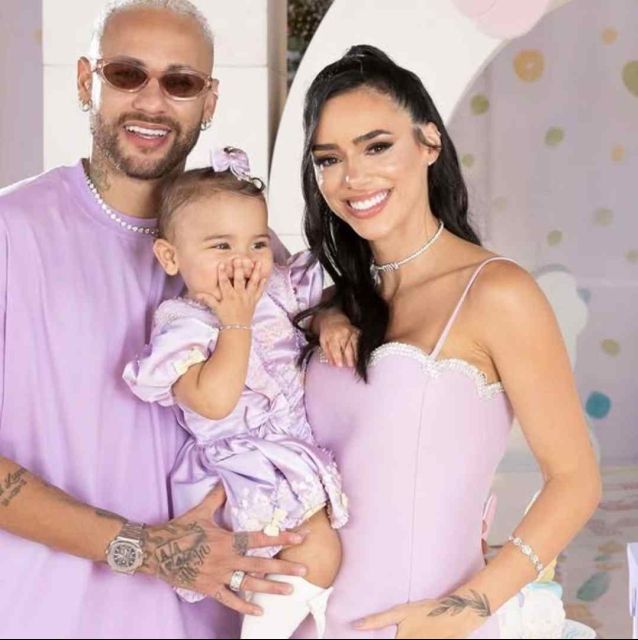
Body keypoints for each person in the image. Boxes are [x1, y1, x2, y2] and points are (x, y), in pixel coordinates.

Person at [0, 2, 314, 637]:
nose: (151, 100)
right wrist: (142, 549)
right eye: (126, 74)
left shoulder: (248, 253)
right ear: (86, 81)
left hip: (214, 622)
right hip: (45, 617)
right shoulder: (11, 233)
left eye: (180, 81)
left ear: (208, 101)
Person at [293, 45, 602, 638]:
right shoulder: (333, 303)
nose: (353, 177)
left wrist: (470, 607)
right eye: (329, 159)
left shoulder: (497, 293)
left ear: (429, 143)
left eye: (376, 146)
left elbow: (575, 480)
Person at [123, 148, 349, 639]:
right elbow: (214, 401)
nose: (243, 261)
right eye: (221, 246)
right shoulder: (183, 325)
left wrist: (329, 318)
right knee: (312, 558)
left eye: (257, 243)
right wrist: (235, 322)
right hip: (242, 469)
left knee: (320, 561)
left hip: (293, 452)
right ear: (171, 257)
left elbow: (328, 296)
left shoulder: (276, 291)